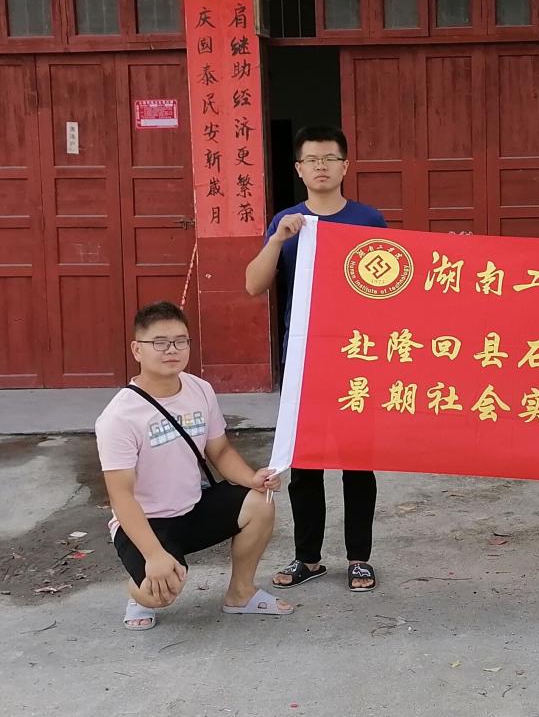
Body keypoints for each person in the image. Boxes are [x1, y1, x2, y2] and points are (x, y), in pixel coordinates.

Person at [245, 124, 386, 592]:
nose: (321, 167)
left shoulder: (369, 221)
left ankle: (359, 558)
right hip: (304, 361)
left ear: (346, 166)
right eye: (312, 160)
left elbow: (396, 283)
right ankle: (307, 558)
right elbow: (253, 284)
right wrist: (276, 240)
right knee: (304, 464)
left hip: (357, 359)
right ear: (299, 169)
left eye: (330, 158)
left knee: (357, 463)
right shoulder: (287, 221)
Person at [96, 301, 291, 630]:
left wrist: (252, 478)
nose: (171, 350)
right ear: (137, 349)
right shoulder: (119, 417)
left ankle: (240, 593)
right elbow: (121, 496)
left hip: (194, 507)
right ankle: (138, 590)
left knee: (262, 502)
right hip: (147, 523)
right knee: (161, 593)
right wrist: (154, 555)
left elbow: (220, 450)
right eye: (160, 342)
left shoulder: (200, 389)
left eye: (180, 341)